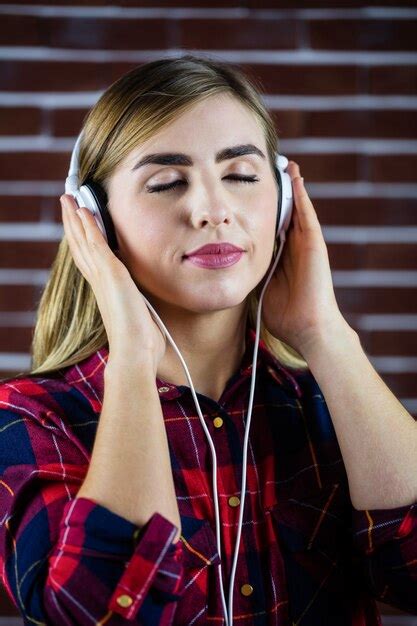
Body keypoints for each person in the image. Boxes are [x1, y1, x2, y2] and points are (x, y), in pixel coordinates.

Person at [0, 54, 416, 626]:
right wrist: (132, 351)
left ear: (283, 201)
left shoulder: (329, 402)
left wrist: (325, 335)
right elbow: (101, 613)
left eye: (242, 176)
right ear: (95, 220)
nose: (213, 210)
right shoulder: (31, 420)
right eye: (166, 182)